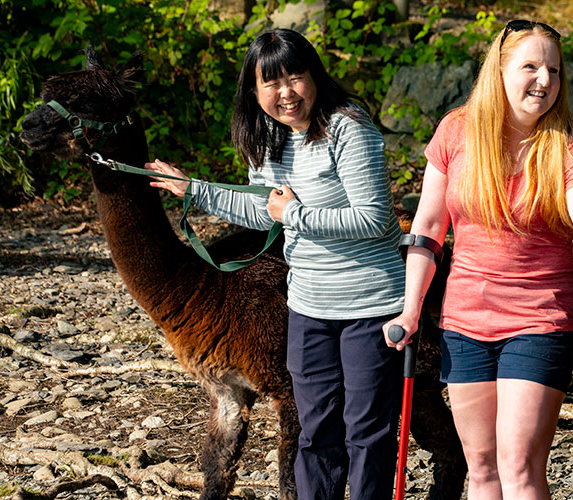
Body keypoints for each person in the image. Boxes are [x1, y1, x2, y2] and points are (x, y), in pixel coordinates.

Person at [145, 29, 405, 500]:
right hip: (307, 306)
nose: (286, 93)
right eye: (272, 83)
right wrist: (195, 191)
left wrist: (296, 214)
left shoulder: (348, 127)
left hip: (370, 301)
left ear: (315, 78)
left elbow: (372, 218)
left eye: (296, 77)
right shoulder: (270, 141)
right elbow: (263, 213)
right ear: (254, 90)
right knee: (315, 428)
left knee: (366, 432)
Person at [383, 19, 573, 500]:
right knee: (482, 468)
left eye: (553, 71)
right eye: (530, 66)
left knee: (519, 466)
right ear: (499, 71)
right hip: (466, 319)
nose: (544, 81)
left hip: (542, 317)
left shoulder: (563, 146)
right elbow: (429, 229)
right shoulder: (456, 131)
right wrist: (411, 309)